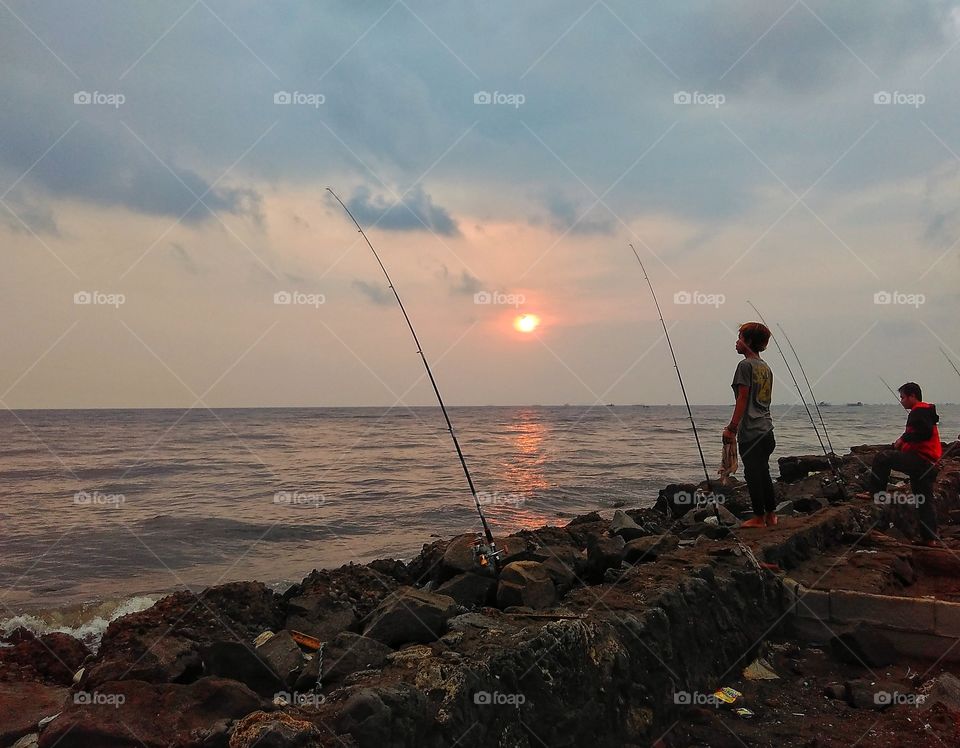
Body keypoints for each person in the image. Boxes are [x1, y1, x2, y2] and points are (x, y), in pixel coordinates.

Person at [856, 382, 942, 546]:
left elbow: (923, 433)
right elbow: (920, 434)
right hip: (929, 463)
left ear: (912, 396)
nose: (901, 401)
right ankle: (930, 539)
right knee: (923, 500)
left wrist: (903, 439)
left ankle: (875, 492)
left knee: (883, 458)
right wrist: (903, 444)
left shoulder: (919, 411)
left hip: (922, 461)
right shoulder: (925, 412)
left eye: (903, 397)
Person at [724, 322, 776, 528]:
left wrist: (732, 428)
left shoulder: (744, 366)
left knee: (753, 474)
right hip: (767, 430)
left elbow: (742, 400)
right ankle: (771, 515)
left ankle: (758, 518)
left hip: (752, 431)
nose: (736, 342)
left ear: (749, 342)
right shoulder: (765, 367)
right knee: (764, 472)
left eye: (740, 338)